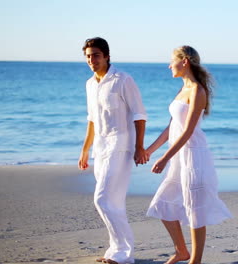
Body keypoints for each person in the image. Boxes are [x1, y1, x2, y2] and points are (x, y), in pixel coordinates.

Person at [146, 46, 232, 264]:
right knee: (163, 203)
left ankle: (195, 260)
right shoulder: (182, 89)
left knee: (195, 209)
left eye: (172, 61)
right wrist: (150, 150)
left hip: (193, 157)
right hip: (178, 158)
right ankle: (181, 251)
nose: (169, 65)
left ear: (184, 61)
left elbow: (188, 131)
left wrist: (164, 158)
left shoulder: (197, 91)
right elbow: (171, 128)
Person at [78, 37, 148, 264]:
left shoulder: (123, 80)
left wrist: (139, 147)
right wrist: (85, 150)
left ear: (107, 56)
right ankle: (116, 251)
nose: (92, 60)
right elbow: (92, 120)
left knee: (102, 199)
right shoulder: (90, 84)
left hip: (120, 146)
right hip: (100, 147)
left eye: (96, 55)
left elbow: (139, 115)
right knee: (114, 202)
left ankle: (123, 253)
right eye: (88, 56)